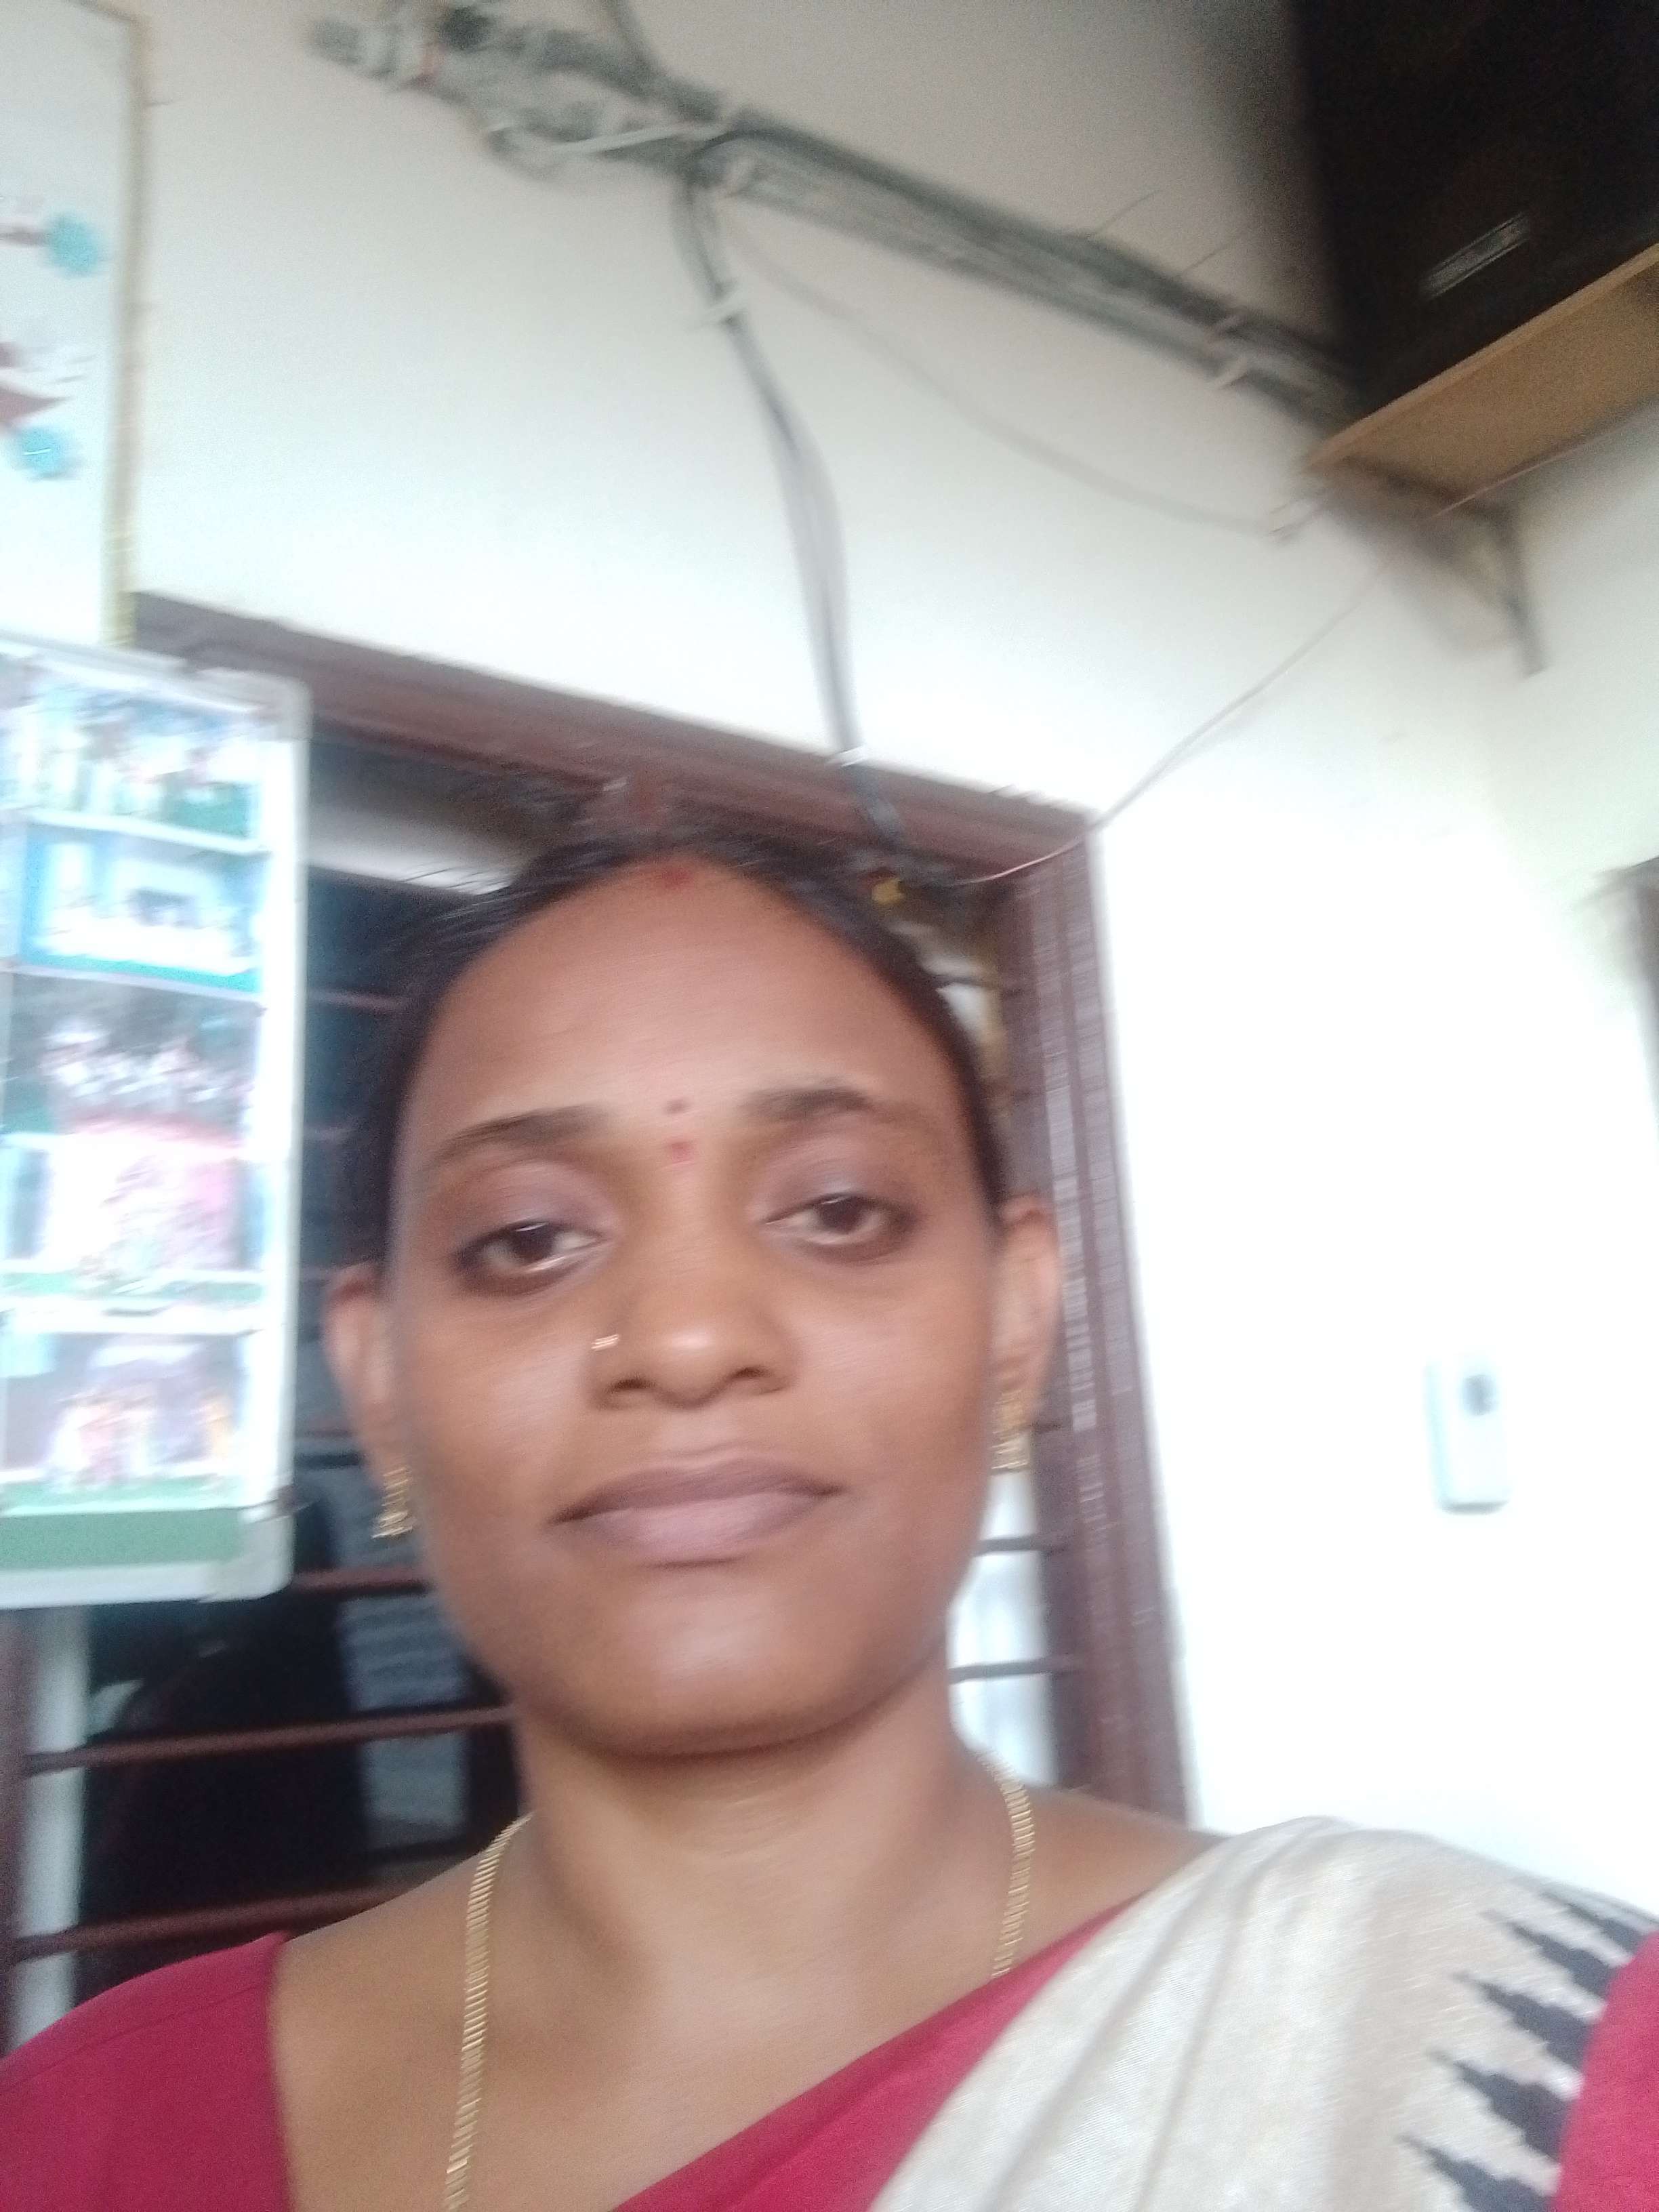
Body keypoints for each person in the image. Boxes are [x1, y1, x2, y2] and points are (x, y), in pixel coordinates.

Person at [1, 827, 1653, 2212]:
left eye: (841, 1209)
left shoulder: (1515, 2059)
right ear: (376, 1385)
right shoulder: (84, 2137)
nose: (686, 1337)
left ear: (1015, 1323)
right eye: (526, 1240)